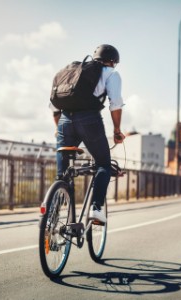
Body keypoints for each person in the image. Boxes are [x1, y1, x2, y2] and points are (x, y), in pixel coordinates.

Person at [50, 44, 125, 224]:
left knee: (63, 175)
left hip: (65, 120)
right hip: (89, 120)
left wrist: (58, 128)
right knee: (103, 165)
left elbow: (54, 108)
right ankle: (96, 209)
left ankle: (53, 213)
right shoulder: (111, 74)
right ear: (113, 62)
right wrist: (117, 131)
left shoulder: (71, 72)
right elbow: (115, 103)